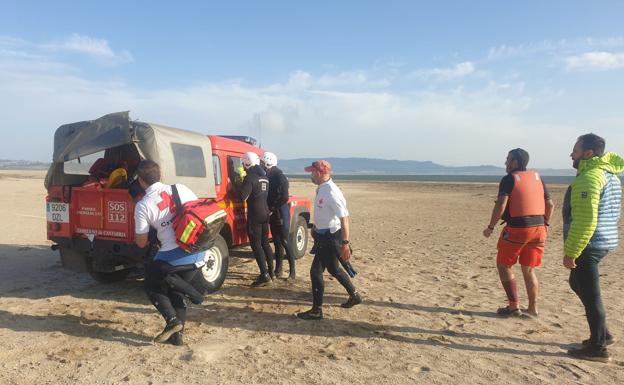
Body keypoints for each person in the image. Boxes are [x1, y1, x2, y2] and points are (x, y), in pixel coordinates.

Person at [563, 134, 623, 363]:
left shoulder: (589, 178)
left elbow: (585, 220)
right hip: (604, 240)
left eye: (575, 150)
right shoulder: (610, 175)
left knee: (591, 293)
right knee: (576, 283)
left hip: (590, 242)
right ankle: (602, 334)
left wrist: (572, 252)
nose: (571, 154)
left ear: (588, 153)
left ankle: (599, 347)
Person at [134, 160, 207, 345]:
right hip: (198, 251)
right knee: (176, 292)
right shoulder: (181, 189)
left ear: (141, 181)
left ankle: (172, 320)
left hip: (173, 256)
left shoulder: (143, 205)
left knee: (152, 284)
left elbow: (141, 243)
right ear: (160, 175)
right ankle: (177, 338)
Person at [483, 148, 554, 318]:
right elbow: (550, 205)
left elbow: (501, 205)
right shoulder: (538, 178)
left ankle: (514, 306)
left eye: (508, 159)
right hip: (539, 229)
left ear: (515, 162)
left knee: (504, 265)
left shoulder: (509, 179)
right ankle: (533, 309)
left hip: (518, 228)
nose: (505, 163)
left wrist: (491, 227)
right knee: (528, 269)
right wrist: (545, 225)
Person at [297, 160, 362, 320]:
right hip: (323, 236)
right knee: (334, 269)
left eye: (312, 172)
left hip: (331, 239)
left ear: (319, 173)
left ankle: (316, 310)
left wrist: (345, 244)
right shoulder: (322, 189)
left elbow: (344, 218)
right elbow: (323, 214)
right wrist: (315, 229)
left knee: (315, 272)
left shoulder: (332, 192)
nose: (311, 175)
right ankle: (354, 295)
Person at [240, 151, 275, 286]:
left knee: (256, 245)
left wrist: (238, 184)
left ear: (247, 163)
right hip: (265, 213)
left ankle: (264, 275)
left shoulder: (250, 178)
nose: (243, 166)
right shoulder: (264, 177)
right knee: (265, 243)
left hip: (255, 214)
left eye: (243, 164)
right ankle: (271, 272)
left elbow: (242, 196)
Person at [261, 151, 296, 280]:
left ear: (268, 163)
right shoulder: (269, 175)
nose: (261, 165)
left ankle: (292, 272)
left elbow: (284, 197)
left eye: (262, 163)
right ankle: (278, 269)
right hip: (273, 212)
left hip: (281, 213)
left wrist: (273, 208)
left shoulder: (279, 176)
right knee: (276, 242)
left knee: (285, 241)